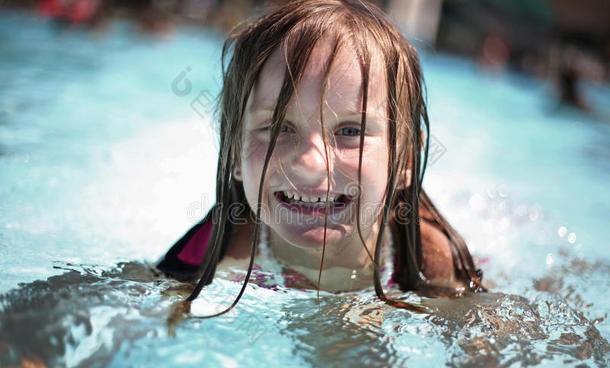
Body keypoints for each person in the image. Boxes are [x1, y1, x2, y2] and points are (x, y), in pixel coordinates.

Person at [158, 0, 485, 317]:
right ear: (232, 151)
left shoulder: (430, 259)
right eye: (277, 128)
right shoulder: (217, 250)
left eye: (350, 131)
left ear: (407, 159)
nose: (312, 165)